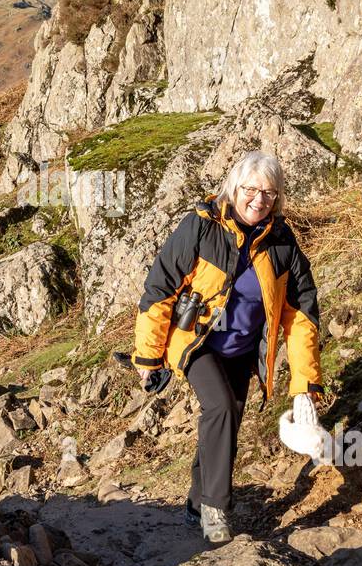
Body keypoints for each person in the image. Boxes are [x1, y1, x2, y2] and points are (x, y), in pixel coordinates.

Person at [130, 150, 325, 544]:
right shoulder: (201, 228)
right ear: (234, 188)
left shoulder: (283, 245)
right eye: (251, 189)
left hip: (241, 349)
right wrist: (149, 355)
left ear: (279, 198)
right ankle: (215, 508)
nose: (259, 199)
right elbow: (160, 288)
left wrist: (304, 385)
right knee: (219, 406)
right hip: (197, 342)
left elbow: (301, 316)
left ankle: (194, 501)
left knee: (227, 419)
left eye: (269, 193)